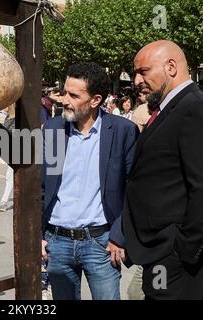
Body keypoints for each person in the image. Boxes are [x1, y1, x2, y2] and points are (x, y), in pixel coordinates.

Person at [122, 40, 203, 300]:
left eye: (143, 71)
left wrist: (183, 248)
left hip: (174, 256)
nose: (136, 80)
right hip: (161, 250)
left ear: (171, 66)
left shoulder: (195, 108)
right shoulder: (172, 107)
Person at [42, 62, 139, 300]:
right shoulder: (52, 129)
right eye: (65, 92)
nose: (64, 100)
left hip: (102, 244)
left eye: (74, 95)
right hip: (57, 242)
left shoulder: (123, 130)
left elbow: (134, 191)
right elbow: (38, 187)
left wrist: (119, 236)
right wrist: (38, 237)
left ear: (95, 100)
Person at [0, 105, 15, 212]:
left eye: (7, 105)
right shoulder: (8, 117)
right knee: (10, 177)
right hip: (13, 153)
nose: (3, 107)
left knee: (9, 177)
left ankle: (4, 203)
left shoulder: (14, 119)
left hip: (17, 153)